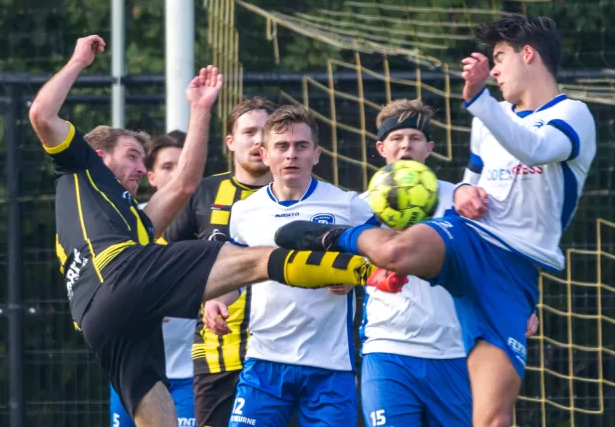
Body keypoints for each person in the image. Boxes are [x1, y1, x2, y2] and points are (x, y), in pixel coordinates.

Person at [29, 35, 378, 427]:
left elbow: (183, 186)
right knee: (255, 259)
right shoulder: (81, 167)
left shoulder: (126, 216)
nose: (142, 170)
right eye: (131, 156)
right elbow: (42, 114)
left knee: (152, 405)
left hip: (95, 316)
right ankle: (368, 272)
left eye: (143, 161)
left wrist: (199, 110)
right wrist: (78, 60)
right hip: (116, 272)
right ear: (99, 156)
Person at [274, 15, 596, 427]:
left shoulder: (573, 114)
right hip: (471, 239)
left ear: (528, 54)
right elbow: (472, 182)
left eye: (499, 58)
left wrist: (479, 100)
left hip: (511, 272)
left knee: (493, 419)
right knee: (395, 250)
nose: (494, 70)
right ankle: (334, 237)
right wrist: (464, 190)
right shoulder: (488, 117)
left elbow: (535, 149)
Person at [358, 98, 539, 427]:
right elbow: (338, 264)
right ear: (381, 148)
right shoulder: (360, 207)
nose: (405, 146)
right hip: (388, 349)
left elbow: (497, 260)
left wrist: (522, 305)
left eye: (414, 139)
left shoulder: (461, 199)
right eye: (397, 140)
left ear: (429, 147)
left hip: (455, 352)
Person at [206, 105, 376, 427]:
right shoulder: (244, 212)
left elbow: (383, 251)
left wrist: (354, 275)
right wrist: (217, 301)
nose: (291, 155)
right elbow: (236, 276)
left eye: (301, 146)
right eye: (281, 147)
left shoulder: (347, 204)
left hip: (330, 365)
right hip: (265, 362)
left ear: (316, 154)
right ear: (265, 154)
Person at [162, 97, 277, 427]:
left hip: (285, 355)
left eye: (265, 131)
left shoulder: (300, 195)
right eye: (249, 131)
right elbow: (167, 256)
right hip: (216, 356)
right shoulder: (203, 193)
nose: (257, 140)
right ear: (230, 141)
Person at [109, 131, 197, 427]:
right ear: (151, 176)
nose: (176, 174)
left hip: (191, 372)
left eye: (183, 164)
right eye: (167, 167)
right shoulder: (127, 222)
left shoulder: (211, 223)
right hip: (131, 368)